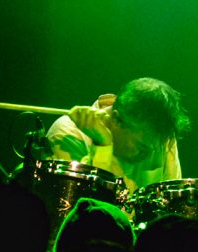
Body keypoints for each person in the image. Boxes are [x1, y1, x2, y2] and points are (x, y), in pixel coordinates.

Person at [45, 77, 189, 194]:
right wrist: (102, 147)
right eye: (142, 147)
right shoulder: (68, 135)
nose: (150, 153)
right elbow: (81, 215)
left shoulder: (160, 139)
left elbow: (172, 210)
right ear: (116, 120)